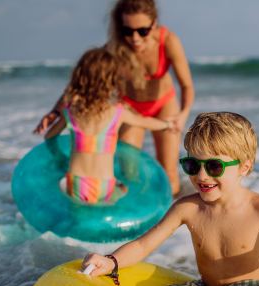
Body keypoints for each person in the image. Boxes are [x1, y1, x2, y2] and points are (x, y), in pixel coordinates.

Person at [81, 112, 259, 286]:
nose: (201, 176)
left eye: (213, 167)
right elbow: (143, 244)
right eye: (192, 165)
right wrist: (111, 261)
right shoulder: (187, 207)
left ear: (245, 167)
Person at [34, 0, 194, 196]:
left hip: (163, 105)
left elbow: (186, 86)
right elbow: (81, 83)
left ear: (154, 23)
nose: (135, 38)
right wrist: (54, 112)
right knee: (129, 175)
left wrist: (183, 114)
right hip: (129, 109)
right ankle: (136, 222)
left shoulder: (168, 41)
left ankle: (167, 222)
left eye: (143, 30)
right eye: (128, 30)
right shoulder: (114, 48)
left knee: (171, 181)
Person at [36, 47, 173, 203]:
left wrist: (59, 157)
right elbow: (145, 122)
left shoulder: (71, 112)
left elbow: (49, 136)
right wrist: (168, 124)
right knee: (107, 215)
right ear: (111, 80)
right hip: (104, 184)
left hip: (77, 181)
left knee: (81, 222)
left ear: (80, 77)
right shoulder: (117, 112)